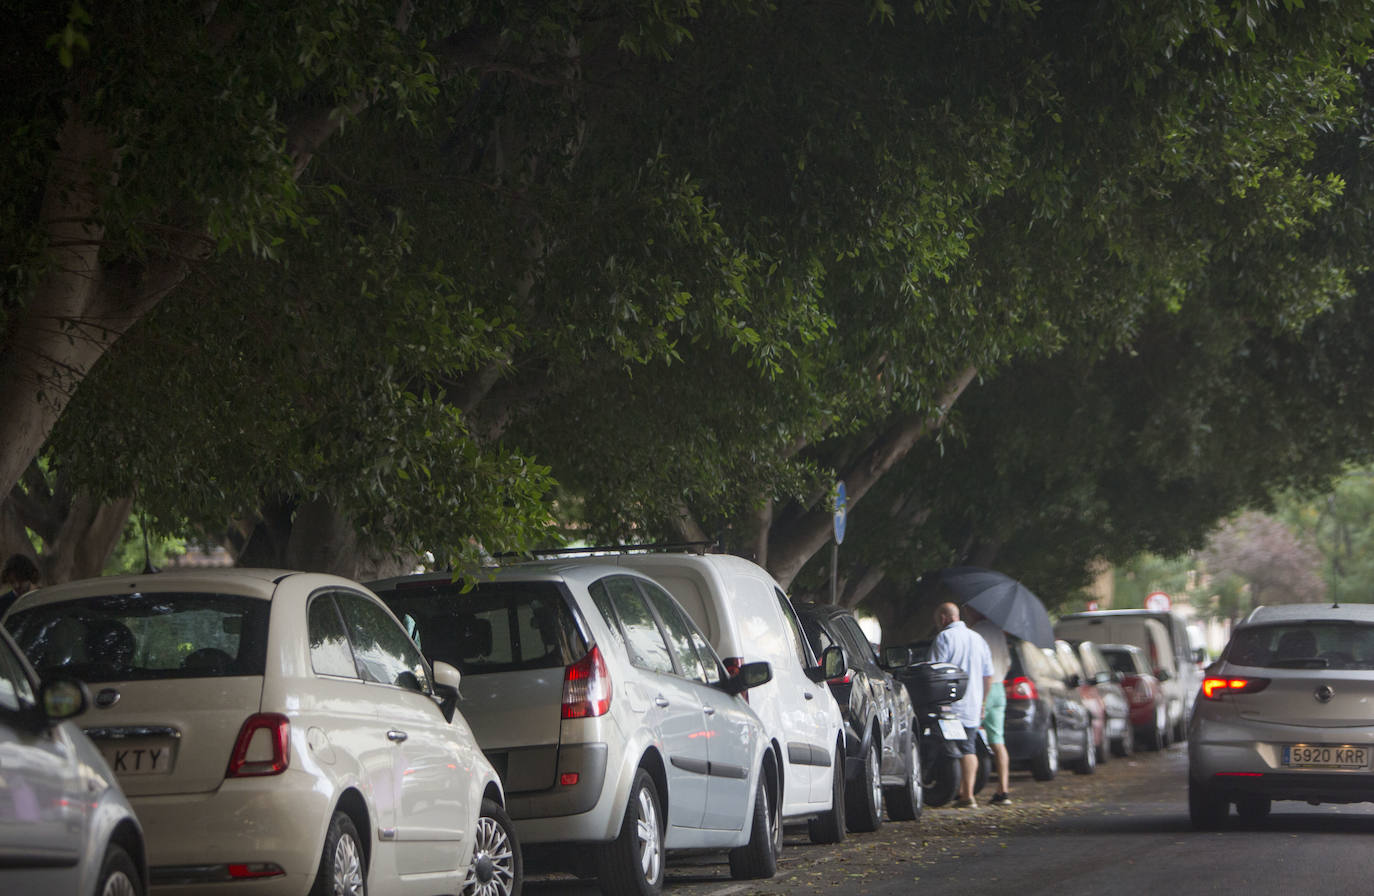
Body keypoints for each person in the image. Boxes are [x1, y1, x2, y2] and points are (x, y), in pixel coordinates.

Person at [931, 601, 993, 808]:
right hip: (973, 704)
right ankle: (968, 794)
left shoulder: (944, 638)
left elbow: (934, 670)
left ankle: (953, 790)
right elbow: (988, 675)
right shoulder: (978, 639)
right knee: (969, 748)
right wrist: (983, 700)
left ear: (943, 618)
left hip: (949, 705)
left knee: (949, 749)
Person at [965, 604, 1013, 805]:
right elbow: (1008, 662)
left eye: (967, 611)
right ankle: (1003, 790)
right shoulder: (999, 633)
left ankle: (967, 792)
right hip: (999, 688)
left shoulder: (974, 633)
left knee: (967, 737)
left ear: (975, 612)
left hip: (981, 688)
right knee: (998, 740)